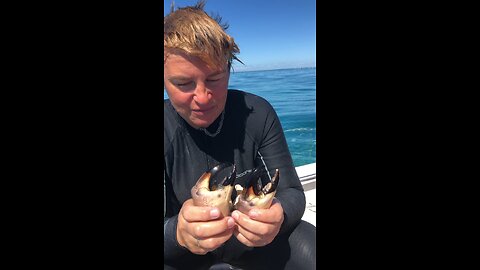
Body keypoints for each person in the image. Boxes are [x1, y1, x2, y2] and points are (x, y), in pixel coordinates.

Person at [163, 1, 316, 269]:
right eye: (183, 83)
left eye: (214, 78)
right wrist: (178, 232)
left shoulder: (258, 112)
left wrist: (278, 216)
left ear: (229, 69)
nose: (202, 97)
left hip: (258, 248)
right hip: (183, 258)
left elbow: (292, 191)